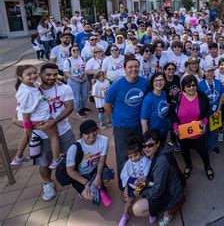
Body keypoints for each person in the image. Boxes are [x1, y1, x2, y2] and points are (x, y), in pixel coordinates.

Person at [105, 58, 148, 189]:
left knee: (140, 154)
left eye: (136, 66)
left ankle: (140, 182)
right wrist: (115, 117)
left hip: (139, 125)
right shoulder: (116, 86)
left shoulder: (144, 82)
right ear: (124, 69)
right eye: (130, 67)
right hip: (122, 127)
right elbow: (107, 105)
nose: (133, 69)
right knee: (123, 156)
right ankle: (124, 186)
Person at [34, 63, 76, 201]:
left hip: (64, 131)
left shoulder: (65, 88)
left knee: (73, 155)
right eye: (48, 74)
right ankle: (48, 183)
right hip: (42, 135)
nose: (52, 77)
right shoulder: (33, 90)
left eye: (54, 74)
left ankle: (76, 177)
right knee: (43, 162)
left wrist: (55, 121)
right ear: (40, 75)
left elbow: (69, 107)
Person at [132, 130, 185, 226]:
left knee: (137, 209)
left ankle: (169, 212)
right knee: (140, 190)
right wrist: (143, 184)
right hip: (170, 185)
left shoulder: (161, 162)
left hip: (173, 193)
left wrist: (143, 192)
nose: (146, 148)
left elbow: (157, 190)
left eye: (150, 145)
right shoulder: (158, 152)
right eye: (144, 146)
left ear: (158, 143)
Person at [15, 64, 62, 169]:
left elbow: (38, 84)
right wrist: (27, 127)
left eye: (35, 73)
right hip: (41, 118)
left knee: (27, 136)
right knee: (54, 136)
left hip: (36, 118)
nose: (33, 76)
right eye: (29, 74)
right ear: (20, 77)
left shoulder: (30, 85)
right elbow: (25, 112)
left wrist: (56, 82)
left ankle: (18, 156)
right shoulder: (27, 92)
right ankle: (56, 160)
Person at [170, 75, 213, 180]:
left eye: (193, 85)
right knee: (185, 152)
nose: (191, 88)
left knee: (203, 152)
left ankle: (207, 166)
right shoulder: (178, 98)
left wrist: (204, 122)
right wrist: (175, 126)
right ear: (183, 87)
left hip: (199, 133)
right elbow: (171, 113)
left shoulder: (202, 96)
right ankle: (188, 165)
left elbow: (208, 110)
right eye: (188, 86)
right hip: (183, 134)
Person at [66, 120, 114, 202]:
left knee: (106, 179)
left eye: (94, 130)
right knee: (91, 197)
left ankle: (97, 183)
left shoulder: (104, 140)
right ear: (82, 135)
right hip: (81, 174)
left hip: (95, 168)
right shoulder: (73, 148)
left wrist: (98, 177)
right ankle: (85, 189)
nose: (92, 135)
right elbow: (70, 171)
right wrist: (85, 183)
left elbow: (102, 161)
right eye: (87, 133)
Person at [119, 137, 151, 226]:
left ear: (141, 151)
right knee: (129, 202)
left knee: (145, 199)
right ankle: (125, 215)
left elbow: (146, 177)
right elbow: (123, 175)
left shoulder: (146, 161)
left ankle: (150, 213)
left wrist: (138, 189)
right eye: (130, 157)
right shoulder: (128, 163)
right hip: (131, 186)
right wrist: (133, 181)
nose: (133, 158)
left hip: (144, 185)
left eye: (135, 155)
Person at [198, 62, 224, 153]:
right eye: (208, 71)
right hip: (204, 112)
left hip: (215, 111)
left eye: (212, 71)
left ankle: (211, 145)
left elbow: (221, 95)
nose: (210, 73)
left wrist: (218, 108)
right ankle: (203, 146)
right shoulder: (200, 84)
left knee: (213, 129)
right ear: (204, 72)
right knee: (204, 129)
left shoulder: (218, 82)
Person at [141, 72, 169, 143]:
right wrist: (147, 139)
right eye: (156, 80)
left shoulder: (164, 94)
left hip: (164, 131)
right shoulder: (148, 99)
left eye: (161, 80)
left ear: (164, 81)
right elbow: (144, 121)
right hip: (153, 135)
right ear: (152, 82)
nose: (159, 82)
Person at [64, 45, 89, 117]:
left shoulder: (82, 58)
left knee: (85, 95)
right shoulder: (68, 61)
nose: (76, 51)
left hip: (83, 78)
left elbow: (85, 69)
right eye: (73, 50)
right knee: (76, 97)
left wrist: (84, 77)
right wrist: (77, 79)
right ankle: (79, 110)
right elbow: (67, 73)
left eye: (77, 50)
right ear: (70, 52)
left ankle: (82, 107)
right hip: (73, 80)